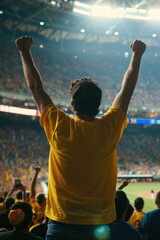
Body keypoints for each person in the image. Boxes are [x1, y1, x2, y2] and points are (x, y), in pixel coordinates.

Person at [15, 36, 146, 240]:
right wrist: (137, 55)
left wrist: (24, 52)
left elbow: (36, 89)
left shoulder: (59, 125)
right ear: (99, 107)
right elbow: (126, 90)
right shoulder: (109, 127)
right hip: (99, 227)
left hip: (60, 224)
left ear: (73, 105)